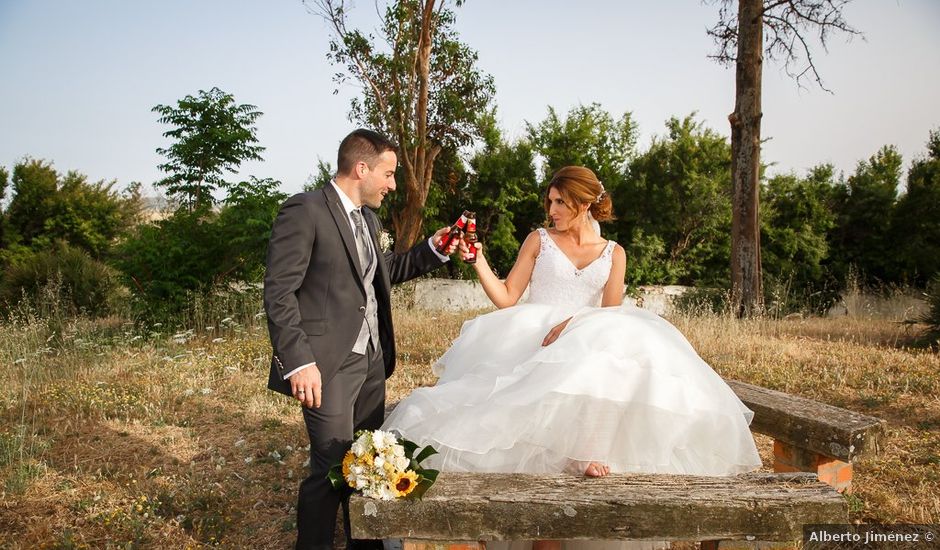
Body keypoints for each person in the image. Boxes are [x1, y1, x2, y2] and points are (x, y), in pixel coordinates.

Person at [383, 166, 761, 545]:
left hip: (586, 345)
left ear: (583, 204)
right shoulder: (539, 240)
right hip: (532, 340)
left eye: (560, 202)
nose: (552, 209)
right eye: (550, 201)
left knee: (617, 349)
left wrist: (576, 322)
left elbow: (614, 319)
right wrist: (478, 259)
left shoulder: (614, 254)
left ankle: (585, 453)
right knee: (515, 432)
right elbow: (507, 297)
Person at [264, 128, 460, 550]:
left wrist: (435, 247)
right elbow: (279, 292)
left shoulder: (368, 219)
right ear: (361, 168)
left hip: (372, 361)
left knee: (367, 461)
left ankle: (364, 545)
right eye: (389, 174)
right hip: (325, 365)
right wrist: (298, 361)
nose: (392, 185)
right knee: (331, 465)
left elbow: (384, 273)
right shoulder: (305, 210)